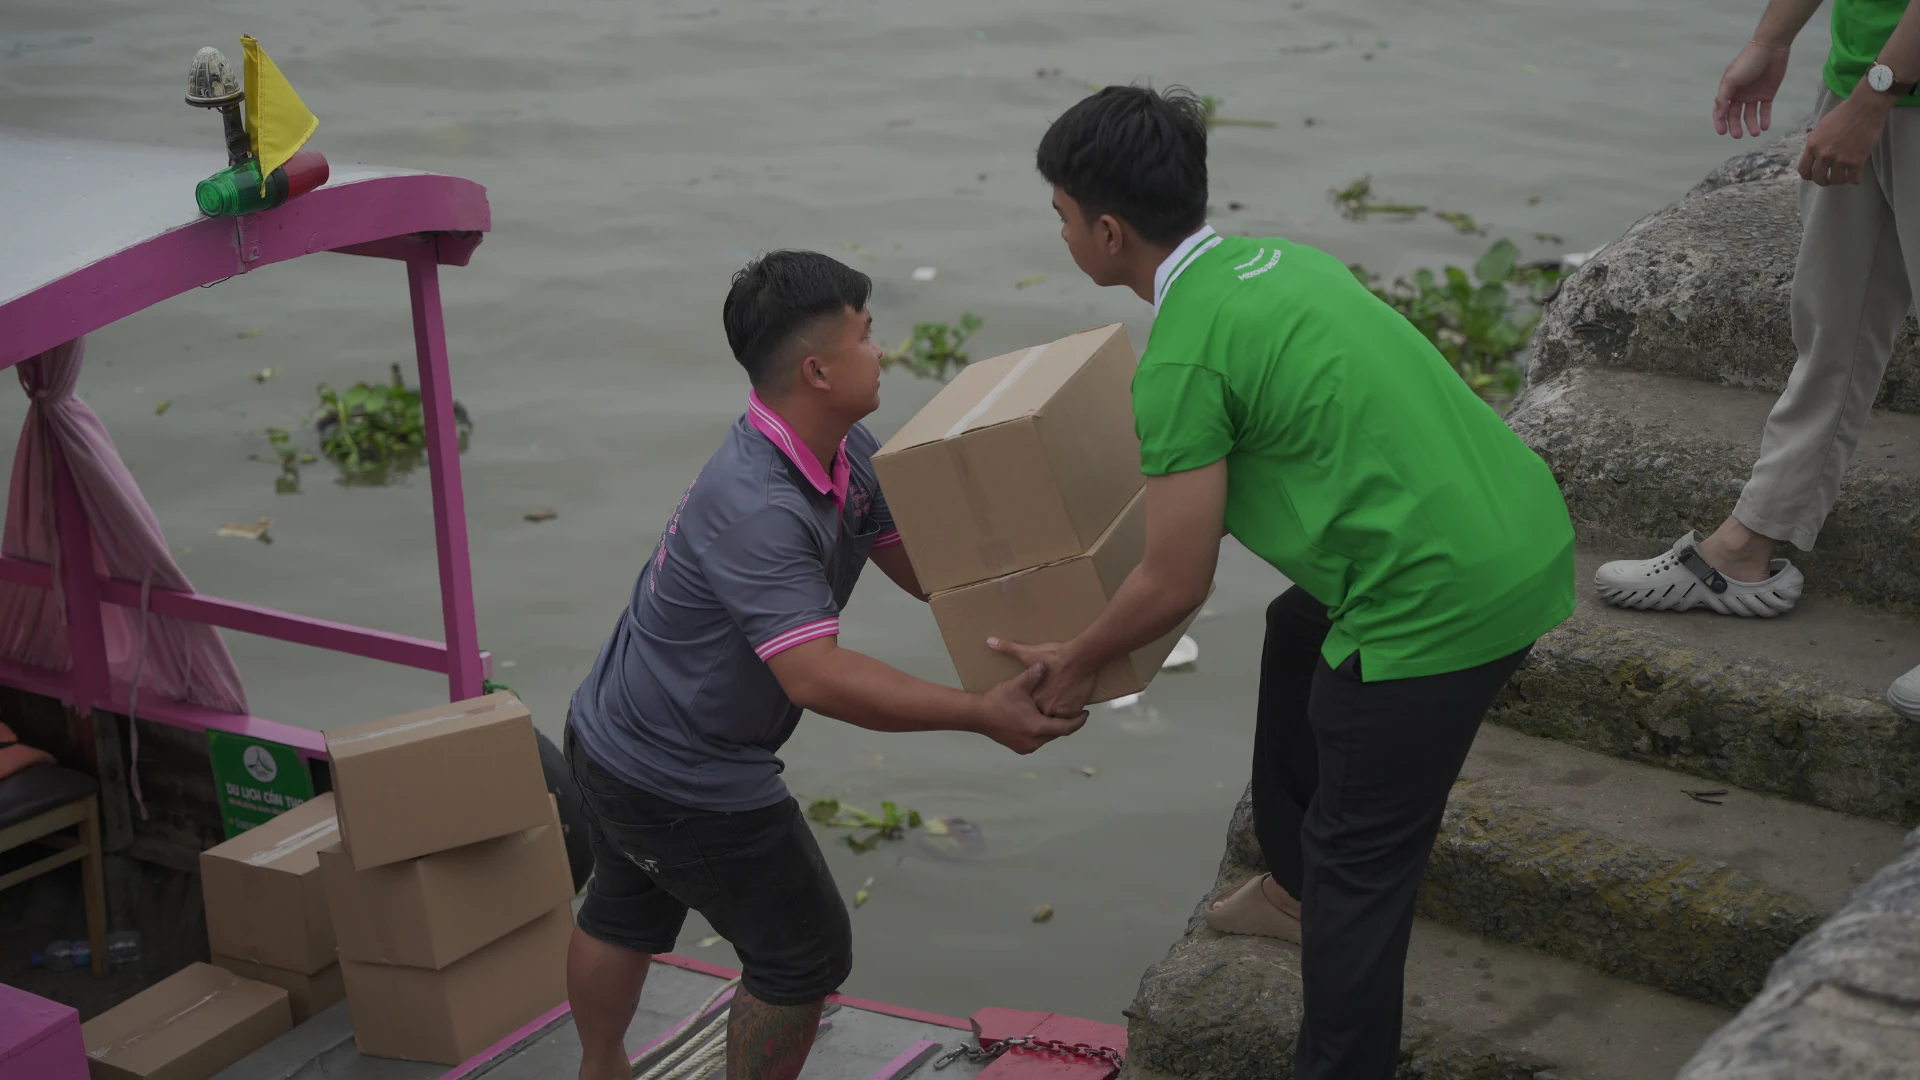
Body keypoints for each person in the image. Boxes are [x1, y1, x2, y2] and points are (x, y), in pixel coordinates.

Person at [988, 86, 1575, 1079]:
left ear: (1109, 231)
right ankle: (1291, 883)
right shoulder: (1282, 265)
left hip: (1441, 604)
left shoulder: (1180, 361)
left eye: (1062, 216)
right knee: (1300, 626)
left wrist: (1079, 658)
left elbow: (1176, 581)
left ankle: (1331, 989)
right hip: (1522, 532)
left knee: (1363, 875)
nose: (1063, 234)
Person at [563, 251, 1084, 1080]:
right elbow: (816, 677)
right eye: (867, 336)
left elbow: (932, 574)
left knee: (624, 908)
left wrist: (1058, 631)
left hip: (613, 728)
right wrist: (981, 712)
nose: (882, 352)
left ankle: (600, 1068)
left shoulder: (845, 450)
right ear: (817, 370)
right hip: (679, 772)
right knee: (801, 955)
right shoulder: (758, 505)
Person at [1592, 0, 1920, 717]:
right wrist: (1773, 40)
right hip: (1865, 76)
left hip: (1884, 85)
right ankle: (1745, 549)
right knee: (1832, 331)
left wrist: (1876, 95)